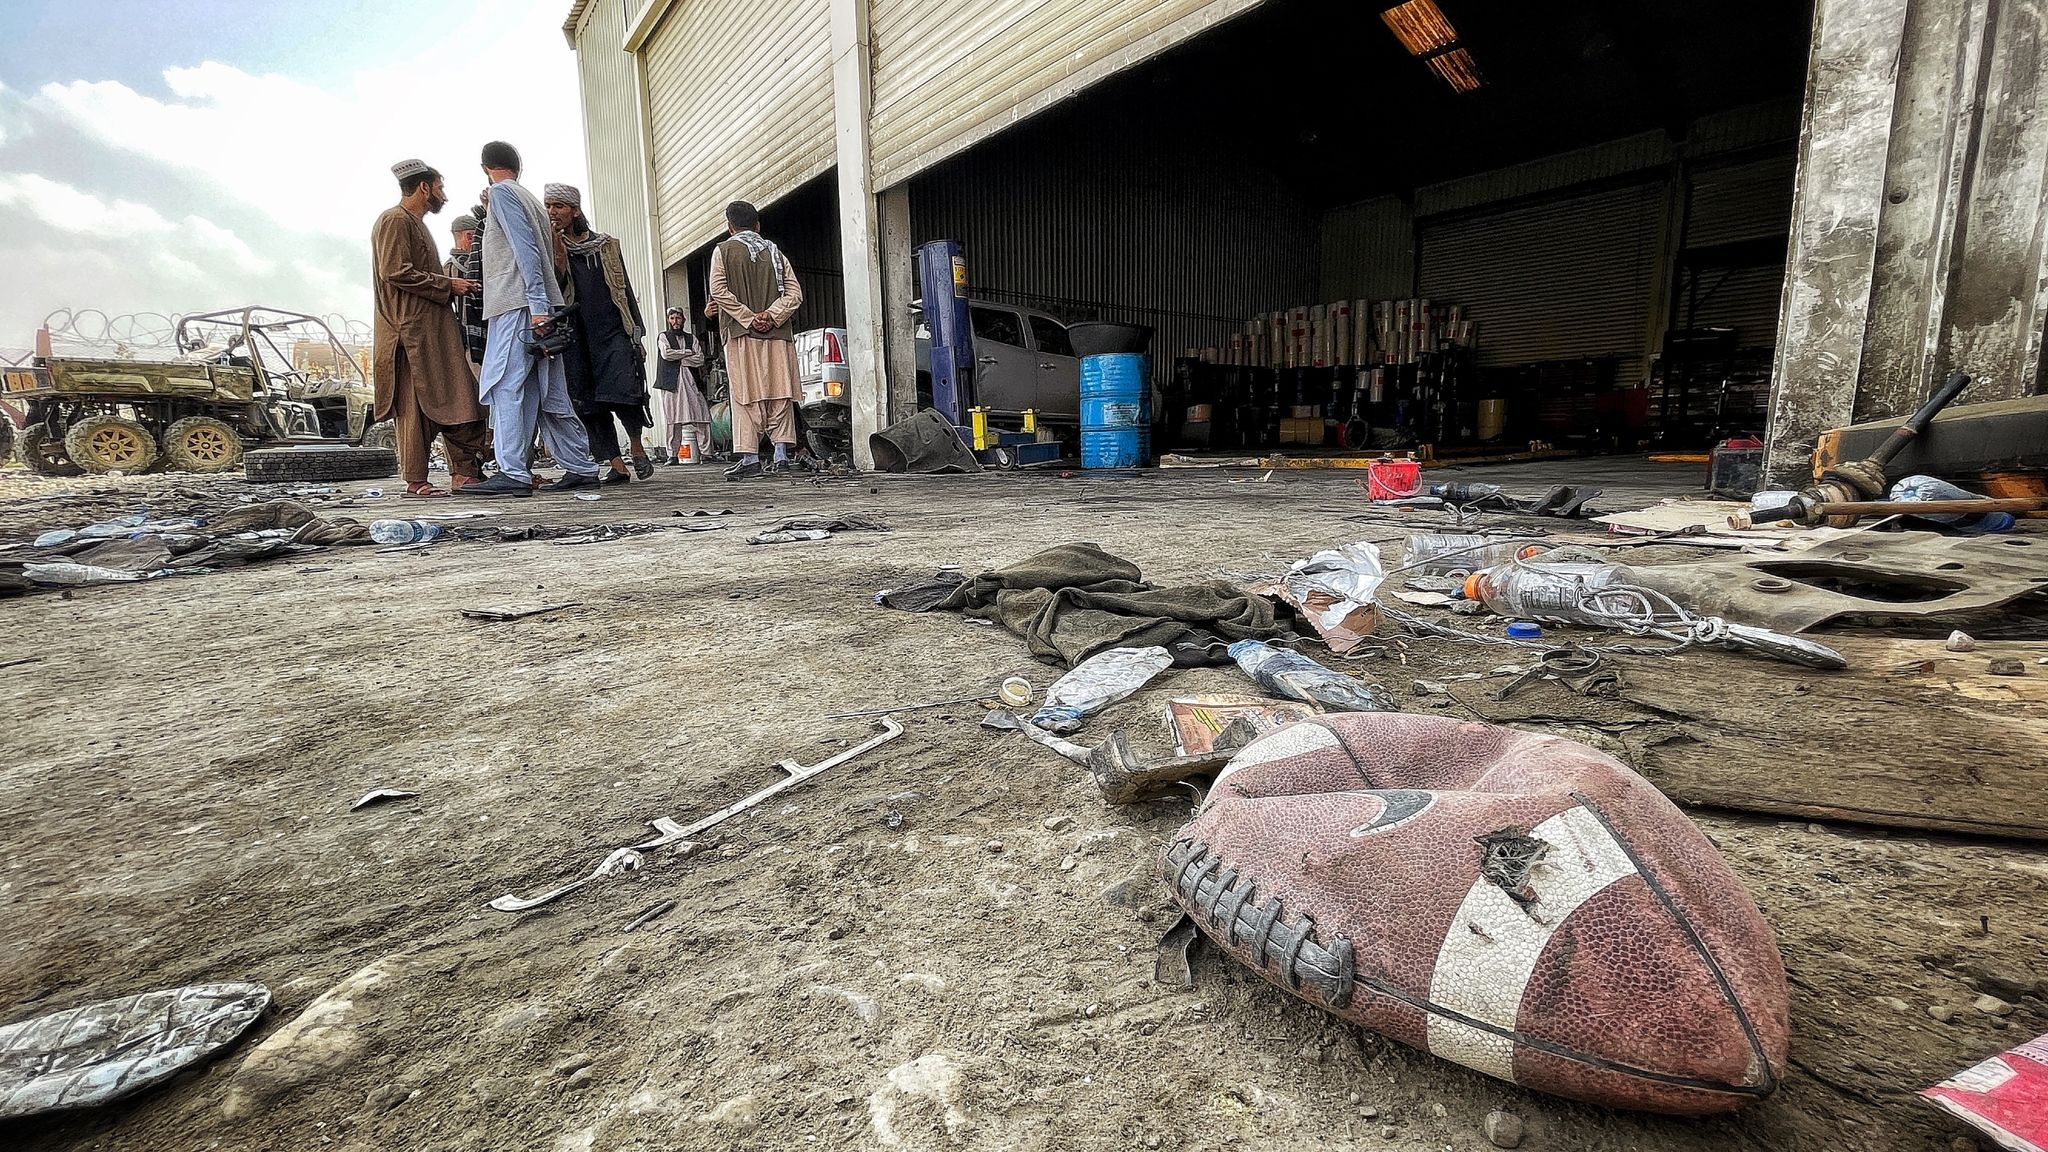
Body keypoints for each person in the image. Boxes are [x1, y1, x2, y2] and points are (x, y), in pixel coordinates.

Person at [457, 141, 600, 497]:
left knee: (505, 384)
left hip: (517, 303)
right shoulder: (529, 199)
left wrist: (535, 304)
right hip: (537, 304)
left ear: (485, 167)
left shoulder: (502, 194)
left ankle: (512, 471)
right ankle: (580, 465)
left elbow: (524, 249)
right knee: (547, 391)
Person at [371, 159, 488, 498]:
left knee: (461, 399)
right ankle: (417, 480)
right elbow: (396, 271)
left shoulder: (414, 223)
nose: (444, 196)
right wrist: (449, 285)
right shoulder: (394, 220)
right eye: (440, 188)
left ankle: (464, 474)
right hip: (410, 333)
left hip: (432, 330)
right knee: (415, 407)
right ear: (424, 187)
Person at [544, 183, 654, 483]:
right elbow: (555, 286)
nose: (552, 212)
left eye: (559, 206)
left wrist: (637, 331)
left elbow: (625, 289)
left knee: (625, 391)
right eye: (549, 206)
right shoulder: (550, 247)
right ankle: (616, 464)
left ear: (575, 210)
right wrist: (556, 248)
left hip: (612, 330)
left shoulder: (606, 245)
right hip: (575, 335)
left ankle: (636, 447)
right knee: (586, 400)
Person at [708, 200, 803, 480]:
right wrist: (772, 316)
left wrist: (749, 318)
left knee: (745, 394)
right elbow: (794, 294)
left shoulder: (723, 251)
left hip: (741, 335)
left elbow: (718, 290)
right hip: (777, 334)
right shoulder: (776, 252)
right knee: (780, 392)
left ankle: (750, 458)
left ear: (730, 227)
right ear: (758, 225)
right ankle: (781, 455)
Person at [654, 306, 710, 464]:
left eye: (678, 318)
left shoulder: (691, 338)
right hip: (671, 383)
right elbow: (666, 354)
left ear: (683, 320)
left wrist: (678, 357)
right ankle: (672, 455)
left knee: (701, 416)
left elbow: (699, 359)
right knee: (673, 420)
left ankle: (706, 453)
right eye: (672, 318)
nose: (675, 321)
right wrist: (686, 353)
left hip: (692, 382)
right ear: (668, 320)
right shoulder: (663, 336)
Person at [445, 211, 487, 370]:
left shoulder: (445, 268)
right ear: (470, 237)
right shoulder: (482, 263)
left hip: (462, 341)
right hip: (479, 340)